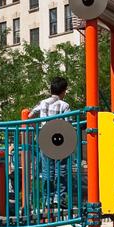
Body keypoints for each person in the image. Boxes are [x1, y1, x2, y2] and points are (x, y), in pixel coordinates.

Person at [31, 77, 73, 206]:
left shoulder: (42, 103)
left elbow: (30, 115)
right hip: (59, 138)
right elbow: (69, 123)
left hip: (45, 137)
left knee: (46, 170)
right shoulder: (64, 105)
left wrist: (36, 128)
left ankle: (47, 199)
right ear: (63, 91)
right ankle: (59, 198)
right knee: (61, 168)